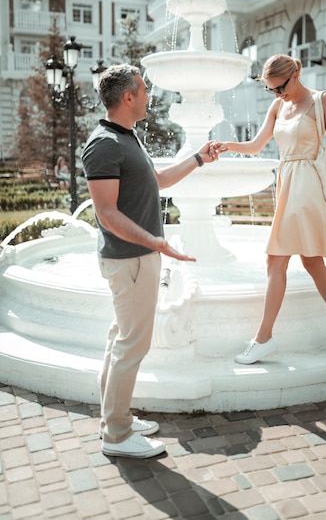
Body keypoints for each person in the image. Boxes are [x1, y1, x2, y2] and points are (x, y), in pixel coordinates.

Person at [82, 63, 219, 459]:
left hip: (136, 258)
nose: (148, 96)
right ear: (128, 97)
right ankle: (118, 435)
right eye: (143, 90)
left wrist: (198, 158)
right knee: (132, 345)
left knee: (120, 340)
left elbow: (157, 180)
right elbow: (106, 212)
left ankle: (115, 418)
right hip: (131, 259)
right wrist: (157, 243)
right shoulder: (104, 143)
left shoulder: (126, 137)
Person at [217, 53, 326, 366]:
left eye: (279, 87)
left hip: (308, 186)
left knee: (276, 259)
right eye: (271, 90)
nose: (277, 94)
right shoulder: (277, 105)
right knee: (312, 262)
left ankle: (263, 338)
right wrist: (228, 145)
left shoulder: (323, 101)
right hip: (288, 183)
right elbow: (257, 145)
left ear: (295, 75)